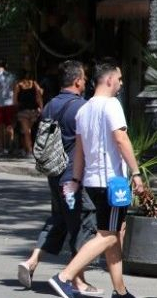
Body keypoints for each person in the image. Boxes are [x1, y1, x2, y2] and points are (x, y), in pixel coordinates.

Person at [49, 61, 145, 298]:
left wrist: (76, 179)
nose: (121, 84)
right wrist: (135, 173)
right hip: (112, 182)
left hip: (92, 182)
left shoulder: (84, 109)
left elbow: (79, 150)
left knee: (110, 235)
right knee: (109, 236)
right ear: (110, 80)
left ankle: (120, 292)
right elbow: (121, 139)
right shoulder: (111, 105)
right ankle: (64, 277)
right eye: (120, 79)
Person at [17, 61, 101, 295]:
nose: (86, 82)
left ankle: (32, 261)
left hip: (54, 174)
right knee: (85, 221)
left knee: (60, 219)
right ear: (77, 81)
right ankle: (76, 279)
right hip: (73, 177)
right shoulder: (81, 108)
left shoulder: (51, 105)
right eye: (84, 78)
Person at [13, 70, 43, 157]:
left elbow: (14, 100)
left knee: (26, 131)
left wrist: (16, 107)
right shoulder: (34, 84)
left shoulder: (18, 85)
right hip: (33, 111)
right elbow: (39, 97)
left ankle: (28, 150)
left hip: (23, 111)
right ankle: (28, 149)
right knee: (28, 131)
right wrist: (41, 108)